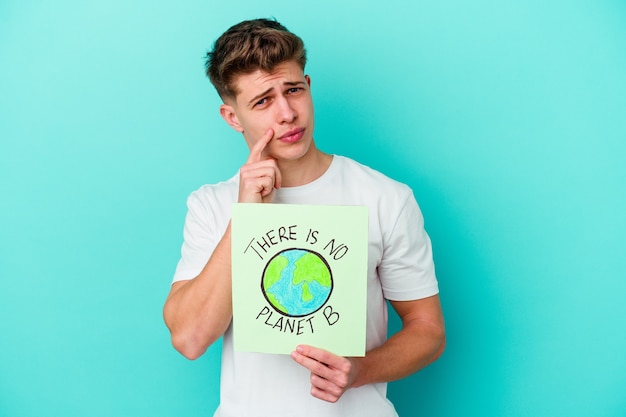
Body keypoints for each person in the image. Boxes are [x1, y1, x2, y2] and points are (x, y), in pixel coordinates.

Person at [163, 18, 445, 417]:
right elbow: (189, 338)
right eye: (262, 101)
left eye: (293, 90)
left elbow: (428, 330)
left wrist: (361, 370)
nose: (286, 113)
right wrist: (245, 217)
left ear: (308, 87)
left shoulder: (386, 198)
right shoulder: (211, 205)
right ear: (232, 117)